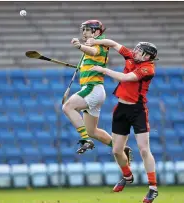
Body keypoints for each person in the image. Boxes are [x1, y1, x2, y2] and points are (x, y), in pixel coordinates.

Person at [86, 38, 159, 203]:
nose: (135, 52)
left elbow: (126, 78)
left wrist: (103, 70)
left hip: (138, 111)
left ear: (147, 56)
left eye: (139, 51)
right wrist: (94, 41)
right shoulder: (131, 57)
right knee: (117, 150)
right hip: (121, 110)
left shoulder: (148, 69)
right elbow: (112, 43)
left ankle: (153, 188)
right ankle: (127, 175)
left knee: (144, 150)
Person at [62, 20, 131, 164]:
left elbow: (94, 52)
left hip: (92, 88)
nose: (84, 33)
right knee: (93, 131)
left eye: (87, 30)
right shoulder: (91, 43)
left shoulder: (100, 42)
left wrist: (80, 46)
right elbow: (93, 58)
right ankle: (120, 148)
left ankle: (85, 140)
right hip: (94, 90)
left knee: (67, 107)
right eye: (83, 30)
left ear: (97, 31)